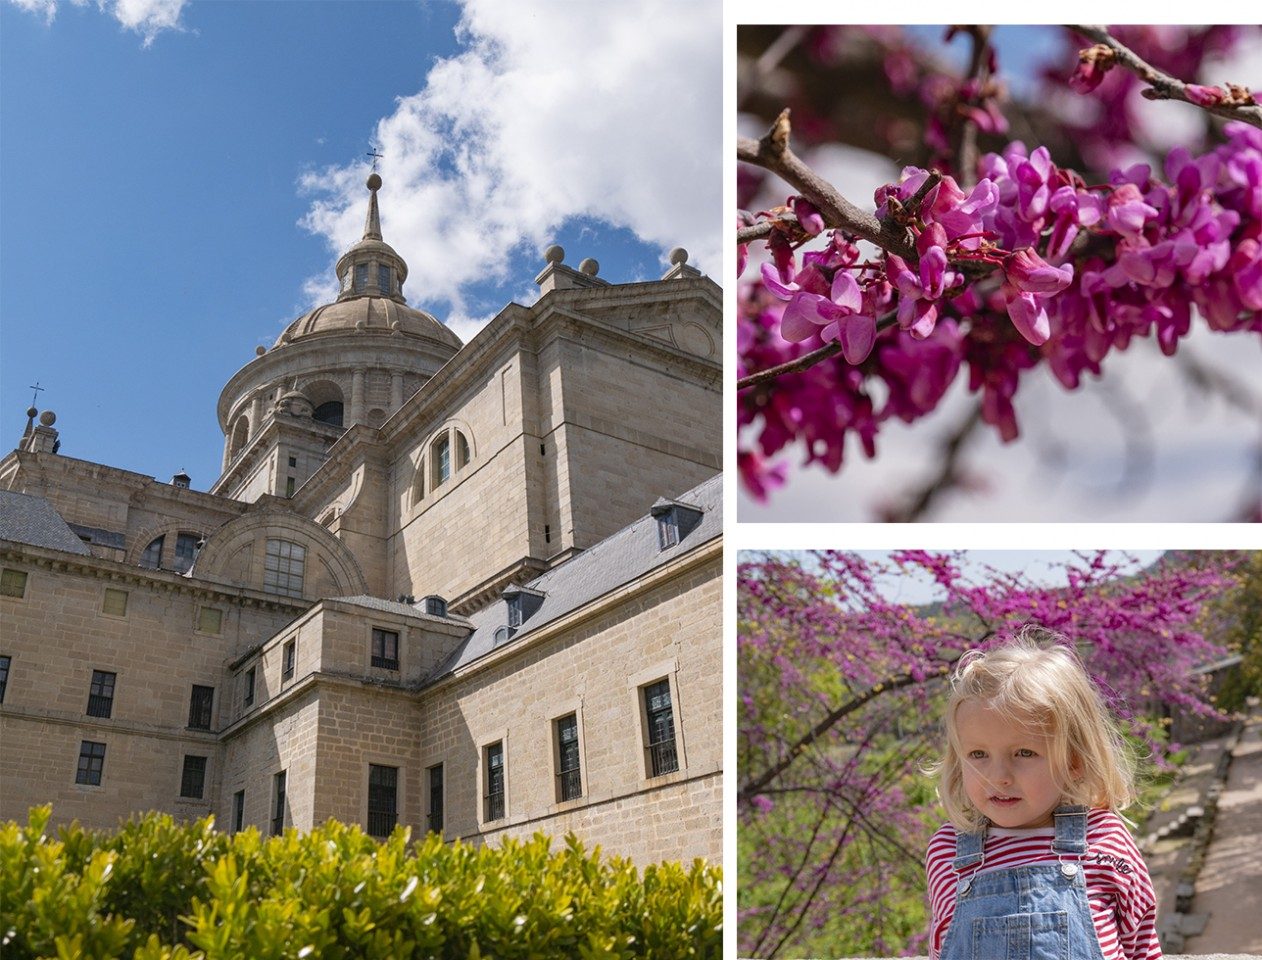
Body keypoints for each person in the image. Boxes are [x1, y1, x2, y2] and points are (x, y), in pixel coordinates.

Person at [925, 631, 1163, 960]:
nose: (999, 777)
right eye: (978, 755)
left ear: (1073, 761)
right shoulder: (948, 851)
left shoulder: (1103, 839)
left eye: (1024, 753)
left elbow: (1141, 944)